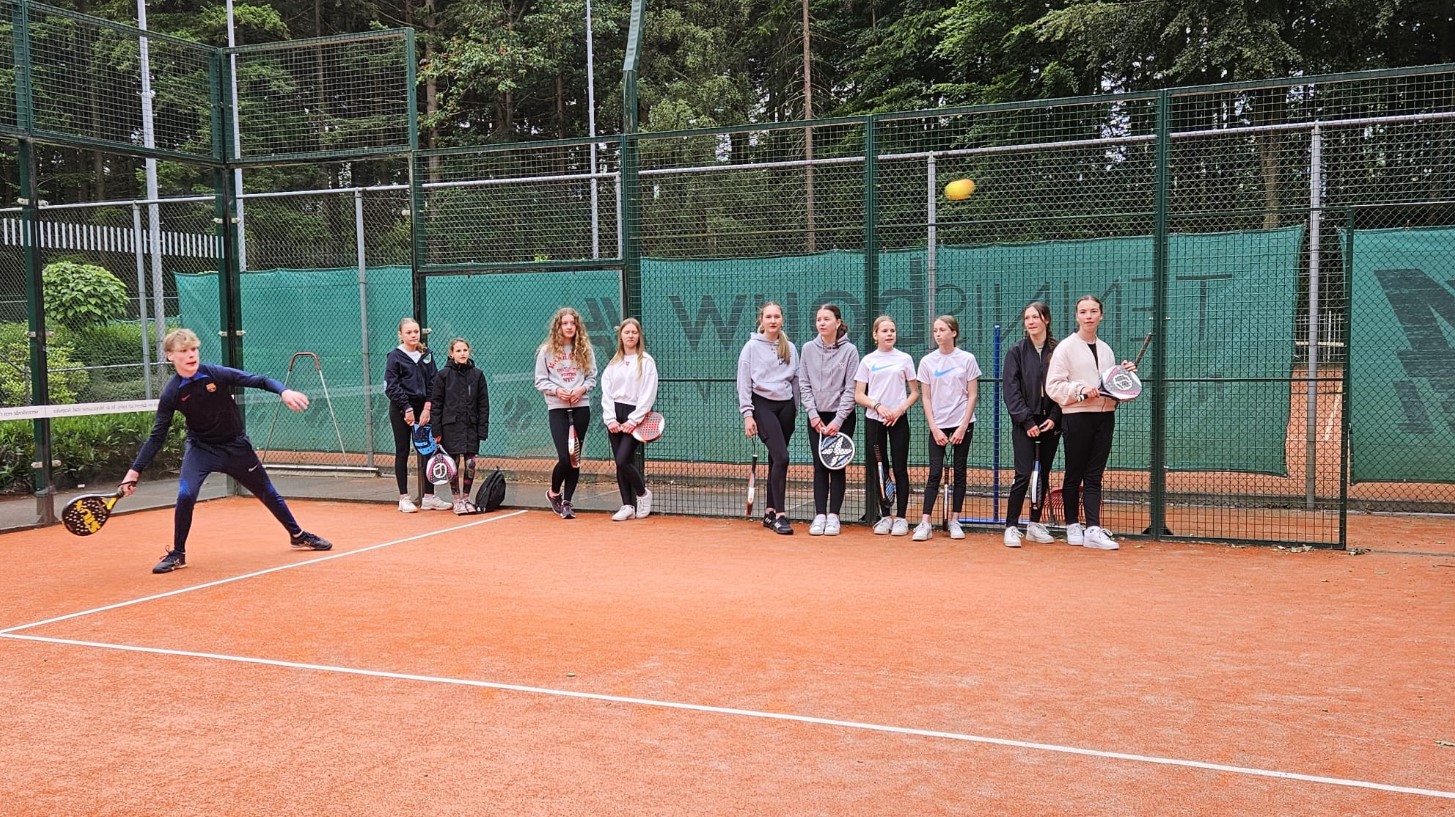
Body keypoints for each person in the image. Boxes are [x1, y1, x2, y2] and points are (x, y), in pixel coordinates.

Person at [121, 328, 332, 574]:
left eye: (194, 349)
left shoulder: (215, 374)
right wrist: (134, 471)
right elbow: (157, 436)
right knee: (186, 494)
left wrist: (284, 391)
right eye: (183, 351)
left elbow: (259, 380)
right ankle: (178, 553)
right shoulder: (172, 393)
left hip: (236, 447)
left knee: (267, 492)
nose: (191, 355)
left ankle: (297, 535)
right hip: (201, 449)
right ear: (170, 356)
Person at [1045, 294, 1137, 551]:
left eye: (1093, 311)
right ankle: (1073, 524)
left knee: (1094, 475)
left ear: (1101, 315)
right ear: (1077, 316)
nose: (1088, 316)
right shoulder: (1065, 348)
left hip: (1105, 416)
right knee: (1074, 473)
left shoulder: (1106, 350)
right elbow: (1053, 386)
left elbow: (1111, 387)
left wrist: (1123, 376)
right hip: (1077, 417)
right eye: (1083, 311)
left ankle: (1093, 529)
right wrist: (1081, 390)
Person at [913, 315, 980, 541]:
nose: (938, 334)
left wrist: (962, 427)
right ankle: (925, 523)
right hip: (938, 425)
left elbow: (972, 396)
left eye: (942, 329)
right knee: (934, 473)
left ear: (954, 332)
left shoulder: (967, 359)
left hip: (963, 423)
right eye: (935, 330)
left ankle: (955, 520)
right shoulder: (927, 362)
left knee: (960, 472)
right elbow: (926, 398)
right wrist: (935, 428)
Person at [1002, 301, 1062, 547]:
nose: (1030, 322)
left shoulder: (1059, 350)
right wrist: (1026, 421)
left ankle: (1035, 524)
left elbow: (1064, 385)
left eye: (1035, 317)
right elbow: (1011, 390)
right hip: (1024, 423)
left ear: (1046, 319)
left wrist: (1054, 417)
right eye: (1027, 318)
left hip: (1051, 421)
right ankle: (1011, 526)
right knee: (1024, 474)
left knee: (1043, 473)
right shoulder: (1015, 351)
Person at [854, 315, 920, 536]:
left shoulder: (905, 359)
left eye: (892, 330)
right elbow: (859, 395)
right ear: (875, 335)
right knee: (881, 468)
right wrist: (877, 406)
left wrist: (899, 410)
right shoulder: (868, 361)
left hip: (898, 420)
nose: (889, 334)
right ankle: (885, 517)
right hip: (875, 421)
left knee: (900, 468)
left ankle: (901, 518)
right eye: (884, 331)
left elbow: (915, 393)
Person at [738, 301, 799, 535]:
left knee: (776, 459)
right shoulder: (751, 347)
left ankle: (769, 512)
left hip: (786, 408)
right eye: (768, 317)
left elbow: (796, 378)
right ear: (761, 320)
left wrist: (795, 406)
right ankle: (781, 516)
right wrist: (747, 414)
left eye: (776, 316)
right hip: (762, 406)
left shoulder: (790, 347)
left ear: (782, 319)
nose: (772, 320)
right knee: (782, 457)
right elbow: (743, 382)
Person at [799, 304, 859, 537]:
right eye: (818, 319)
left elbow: (852, 387)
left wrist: (838, 420)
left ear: (837, 322)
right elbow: (804, 384)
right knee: (819, 465)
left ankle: (834, 516)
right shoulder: (807, 349)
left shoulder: (850, 351)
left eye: (826, 319)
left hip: (842, 418)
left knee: (837, 465)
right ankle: (820, 515)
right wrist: (813, 416)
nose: (821, 323)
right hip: (817, 418)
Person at [535, 307, 597, 519]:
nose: (569, 327)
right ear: (558, 326)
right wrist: (557, 390)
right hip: (557, 408)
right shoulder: (546, 351)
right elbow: (540, 380)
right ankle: (554, 493)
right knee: (564, 456)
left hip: (581, 407)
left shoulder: (585, 349)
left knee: (575, 457)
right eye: (565, 323)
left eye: (573, 323)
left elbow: (592, 378)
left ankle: (568, 502)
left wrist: (581, 389)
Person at [383, 317, 447, 513]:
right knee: (402, 450)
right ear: (400, 335)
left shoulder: (426, 354)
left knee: (429, 450)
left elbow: (433, 382)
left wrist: (427, 408)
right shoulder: (394, 357)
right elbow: (391, 386)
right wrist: (407, 409)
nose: (413, 335)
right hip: (401, 410)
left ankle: (429, 497)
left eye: (416, 332)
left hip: (424, 410)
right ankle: (404, 498)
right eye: (408, 332)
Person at [601, 318, 659, 521]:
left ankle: (643, 494)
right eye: (627, 332)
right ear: (621, 336)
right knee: (620, 463)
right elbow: (606, 392)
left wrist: (634, 420)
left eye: (634, 332)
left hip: (635, 416)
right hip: (615, 415)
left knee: (622, 459)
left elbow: (648, 393)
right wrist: (610, 419)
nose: (631, 335)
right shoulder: (614, 363)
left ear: (639, 336)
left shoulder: (647, 362)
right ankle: (627, 506)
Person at [429, 337, 490, 515]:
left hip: (471, 427)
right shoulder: (443, 375)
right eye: (458, 351)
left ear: (469, 352)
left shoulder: (477, 375)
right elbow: (437, 404)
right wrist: (437, 430)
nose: (462, 353)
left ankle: (466, 498)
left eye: (465, 350)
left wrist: (482, 429)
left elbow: (483, 404)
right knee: (453, 464)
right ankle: (456, 500)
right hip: (450, 427)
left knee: (470, 463)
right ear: (451, 353)